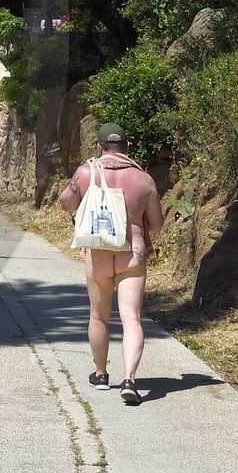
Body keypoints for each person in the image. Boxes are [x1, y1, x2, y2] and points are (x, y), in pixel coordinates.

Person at [58, 123, 163, 405]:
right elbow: (156, 223)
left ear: (99, 146)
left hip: (99, 252)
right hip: (132, 253)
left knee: (98, 316)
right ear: (127, 146)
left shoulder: (86, 172)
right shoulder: (144, 179)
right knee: (131, 318)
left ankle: (101, 374)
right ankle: (129, 379)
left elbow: (65, 203)